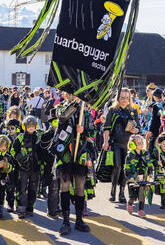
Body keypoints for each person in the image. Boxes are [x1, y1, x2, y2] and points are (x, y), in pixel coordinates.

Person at [51, 93, 93, 235]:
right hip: (65, 154)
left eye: (76, 94)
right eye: (70, 94)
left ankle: (79, 220)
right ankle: (66, 220)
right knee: (65, 185)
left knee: (80, 185)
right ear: (65, 94)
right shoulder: (61, 107)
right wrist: (74, 104)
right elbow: (62, 117)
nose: (73, 96)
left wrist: (84, 130)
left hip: (80, 152)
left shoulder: (85, 113)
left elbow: (92, 131)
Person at [102, 88, 140, 203]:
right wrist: (105, 141)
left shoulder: (133, 111)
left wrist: (135, 130)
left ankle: (122, 192)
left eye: (126, 98)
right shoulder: (112, 110)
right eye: (122, 97)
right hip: (116, 143)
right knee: (117, 166)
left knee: (125, 168)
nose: (124, 100)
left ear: (130, 99)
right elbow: (106, 128)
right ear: (118, 99)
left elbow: (139, 127)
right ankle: (113, 191)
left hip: (129, 144)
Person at [11, 116, 41, 218]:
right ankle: (21, 209)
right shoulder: (20, 137)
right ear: (24, 126)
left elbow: (44, 150)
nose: (31, 128)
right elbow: (13, 151)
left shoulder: (38, 137)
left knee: (33, 188)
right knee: (21, 189)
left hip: (35, 168)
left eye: (33, 125)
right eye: (29, 126)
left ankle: (30, 208)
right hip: (23, 168)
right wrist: (21, 159)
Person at [124, 134, 154, 218]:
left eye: (142, 143)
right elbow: (126, 168)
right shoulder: (130, 156)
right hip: (133, 178)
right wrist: (130, 177)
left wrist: (150, 172)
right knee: (133, 196)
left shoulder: (146, 153)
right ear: (132, 145)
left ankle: (141, 210)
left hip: (143, 177)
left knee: (142, 194)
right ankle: (130, 203)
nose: (141, 145)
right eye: (139, 143)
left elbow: (149, 164)